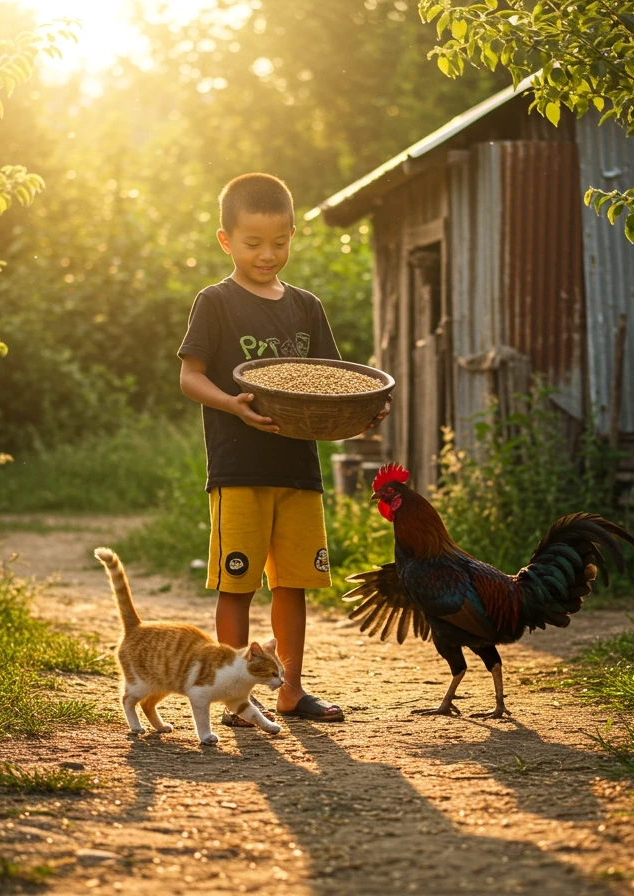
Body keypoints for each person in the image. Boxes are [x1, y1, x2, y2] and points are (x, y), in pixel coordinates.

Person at [177, 173, 389, 725]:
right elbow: (190, 378)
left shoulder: (306, 308)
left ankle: (290, 691)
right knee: (237, 584)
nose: (268, 255)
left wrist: (363, 411)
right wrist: (233, 404)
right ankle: (235, 697)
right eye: (253, 244)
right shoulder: (215, 302)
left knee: (293, 582)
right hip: (239, 468)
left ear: (293, 234)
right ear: (226, 241)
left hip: (299, 469)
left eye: (280, 242)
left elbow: (330, 381)